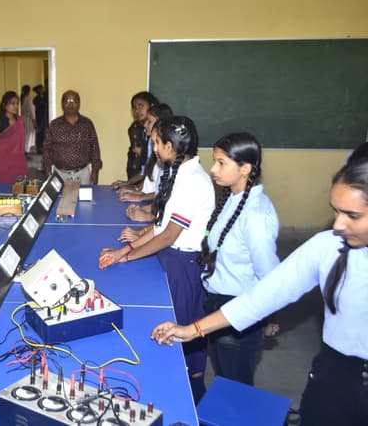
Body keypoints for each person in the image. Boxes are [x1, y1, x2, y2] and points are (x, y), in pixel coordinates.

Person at [152, 160, 368, 426]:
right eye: (335, 211)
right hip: (335, 377)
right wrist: (192, 330)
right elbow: (263, 296)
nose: (338, 224)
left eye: (352, 215)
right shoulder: (328, 246)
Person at [99, 116, 214, 403]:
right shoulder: (178, 173)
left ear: (170, 146)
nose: (154, 148)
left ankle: (189, 397)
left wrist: (127, 257)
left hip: (184, 265)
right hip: (171, 258)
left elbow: (168, 236)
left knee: (181, 333)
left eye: (157, 143)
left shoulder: (194, 182)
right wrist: (126, 249)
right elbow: (160, 225)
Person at [197, 132, 279, 385]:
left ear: (245, 169)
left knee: (236, 386)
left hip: (239, 308)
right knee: (224, 377)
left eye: (221, 163)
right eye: (214, 161)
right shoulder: (232, 199)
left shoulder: (256, 216)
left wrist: (270, 315)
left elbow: (270, 275)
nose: (213, 169)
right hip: (217, 302)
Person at [42, 90, 103, 185]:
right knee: (60, 196)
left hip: (83, 175)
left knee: (84, 196)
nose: (70, 104)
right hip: (59, 175)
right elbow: (47, 150)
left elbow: (95, 149)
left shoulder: (87, 124)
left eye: (74, 101)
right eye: (67, 101)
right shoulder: (54, 125)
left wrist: (95, 172)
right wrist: (48, 171)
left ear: (79, 103)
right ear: (62, 104)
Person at [0, 91, 28, 183]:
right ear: (4, 105)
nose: (16, 106)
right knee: (6, 189)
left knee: (21, 187)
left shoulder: (20, 120)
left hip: (19, 162)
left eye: (17, 103)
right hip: (4, 164)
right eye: (12, 103)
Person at [125, 91, 159, 180]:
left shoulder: (160, 129)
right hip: (136, 175)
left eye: (141, 106)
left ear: (151, 105)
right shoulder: (134, 127)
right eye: (134, 108)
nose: (137, 111)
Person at [33, 84, 48, 155]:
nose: (43, 89)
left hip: (44, 117)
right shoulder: (36, 99)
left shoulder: (45, 97)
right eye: (42, 89)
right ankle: (39, 148)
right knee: (39, 132)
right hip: (38, 117)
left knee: (44, 133)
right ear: (39, 90)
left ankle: (43, 148)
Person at [20, 84, 36, 154]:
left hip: (23, 119)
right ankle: (26, 151)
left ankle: (25, 151)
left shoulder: (22, 99)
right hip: (29, 120)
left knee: (25, 135)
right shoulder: (28, 100)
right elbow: (32, 112)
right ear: (29, 91)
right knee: (28, 136)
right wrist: (34, 121)